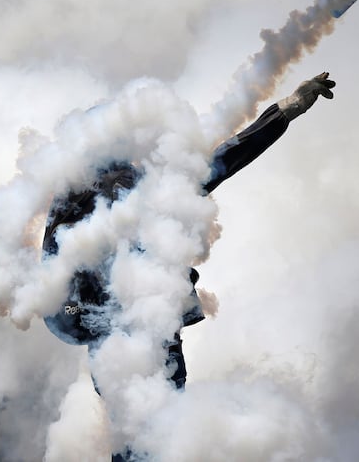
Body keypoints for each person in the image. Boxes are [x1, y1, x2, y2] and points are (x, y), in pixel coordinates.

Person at [41, 72, 335, 460]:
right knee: (148, 440)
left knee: (154, 439)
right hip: (125, 347)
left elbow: (223, 160)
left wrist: (285, 111)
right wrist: (96, 320)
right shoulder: (78, 203)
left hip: (149, 338)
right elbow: (52, 297)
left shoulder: (127, 185)